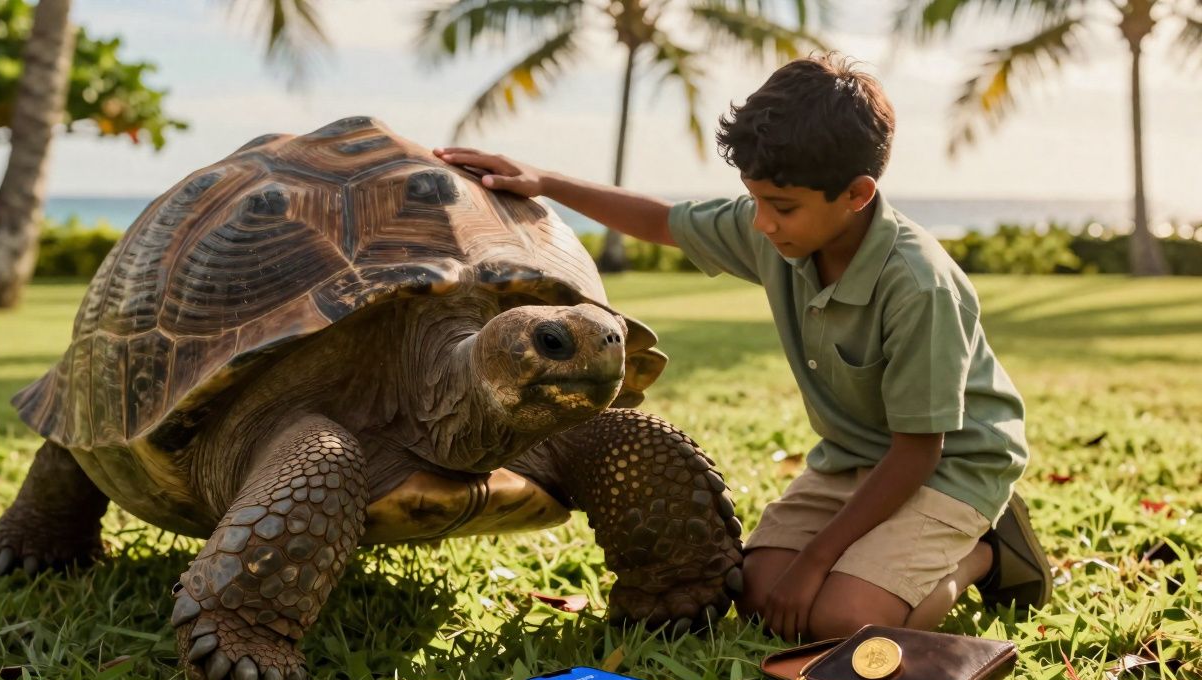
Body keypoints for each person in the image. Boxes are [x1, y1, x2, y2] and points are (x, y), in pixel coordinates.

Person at [433, 53, 1051, 642]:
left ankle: (986, 552)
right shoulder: (779, 232)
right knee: (757, 597)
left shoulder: (918, 286)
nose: (760, 223)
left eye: (780, 207)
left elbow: (919, 451)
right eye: (754, 199)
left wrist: (816, 561)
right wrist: (544, 181)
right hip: (854, 459)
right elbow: (662, 221)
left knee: (842, 620)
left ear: (858, 195)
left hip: (946, 467)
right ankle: (880, 557)